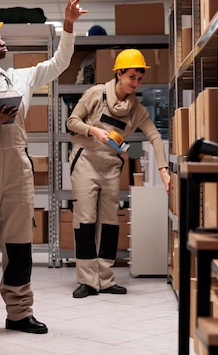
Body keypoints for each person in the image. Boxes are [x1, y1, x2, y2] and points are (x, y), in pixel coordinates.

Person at [0, 0, 88, 337]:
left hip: (18, 172)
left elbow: (58, 63)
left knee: (19, 244)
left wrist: (68, 26)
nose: (1, 40)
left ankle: (19, 312)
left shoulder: (19, 78)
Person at [66, 48, 171, 299]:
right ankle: (87, 280)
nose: (135, 83)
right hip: (85, 163)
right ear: (119, 74)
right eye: (131, 77)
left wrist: (164, 170)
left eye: (139, 78)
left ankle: (105, 278)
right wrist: (93, 131)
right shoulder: (96, 93)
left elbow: (155, 137)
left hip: (110, 166)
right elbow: (72, 121)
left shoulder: (136, 109)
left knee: (110, 223)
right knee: (85, 221)